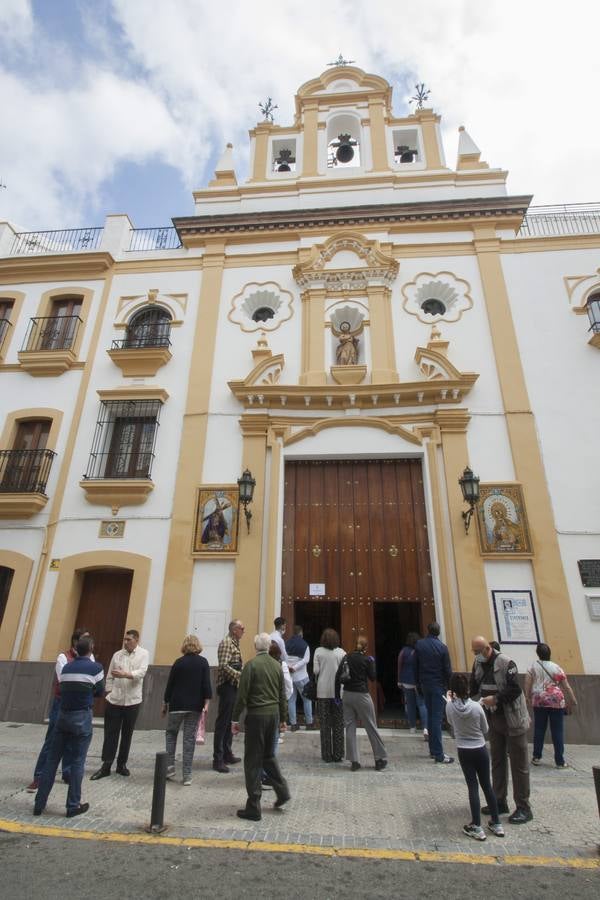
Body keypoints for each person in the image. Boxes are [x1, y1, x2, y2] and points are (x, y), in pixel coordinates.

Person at [33, 636, 104, 818]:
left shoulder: (66, 668)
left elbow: (62, 687)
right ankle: (72, 805)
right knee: (78, 761)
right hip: (81, 716)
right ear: (91, 649)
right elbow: (99, 691)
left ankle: (39, 804)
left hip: (63, 716)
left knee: (52, 761)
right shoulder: (96, 668)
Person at [470, 636, 532, 824]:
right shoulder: (478, 664)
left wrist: (495, 699)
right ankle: (499, 800)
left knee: (519, 764)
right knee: (497, 760)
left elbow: (515, 690)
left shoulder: (507, 663)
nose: (476, 656)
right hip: (494, 719)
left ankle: (523, 807)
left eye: (478, 652)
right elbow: (473, 685)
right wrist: (459, 694)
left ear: (487, 649)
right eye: (474, 652)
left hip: (513, 719)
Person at [232, 633, 290, 821]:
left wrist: (234, 719)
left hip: (256, 716)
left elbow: (242, 695)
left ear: (256, 646)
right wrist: (283, 719)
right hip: (273, 716)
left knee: (252, 760)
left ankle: (254, 805)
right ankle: (282, 792)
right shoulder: (276, 666)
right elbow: (282, 695)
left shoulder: (251, 666)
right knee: (268, 756)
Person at [27, 627, 91, 793]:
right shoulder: (63, 657)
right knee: (52, 739)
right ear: (76, 641)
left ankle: (67, 772)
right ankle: (39, 776)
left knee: (72, 740)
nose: (89, 643)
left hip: (78, 705)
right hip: (61, 703)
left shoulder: (89, 658)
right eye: (85, 639)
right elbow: (64, 679)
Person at [445, 673, 505, 841]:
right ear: (468, 689)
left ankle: (477, 825)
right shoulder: (476, 707)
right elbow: (485, 729)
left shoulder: (450, 707)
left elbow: (450, 722)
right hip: (480, 748)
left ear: (453, 691)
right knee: (487, 785)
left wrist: (450, 701)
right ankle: (496, 822)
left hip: (464, 750)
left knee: (472, 786)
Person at [90, 629, 149, 780]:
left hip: (133, 700)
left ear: (136, 640)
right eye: (125, 639)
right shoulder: (117, 655)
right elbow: (110, 675)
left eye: (129, 639)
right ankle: (106, 765)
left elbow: (141, 673)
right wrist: (109, 693)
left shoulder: (143, 654)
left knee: (127, 734)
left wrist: (125, 675)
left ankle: (122, 764)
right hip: (115, 700)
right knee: (110, 733)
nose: (126, 642)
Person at [162, 634, 212, 785]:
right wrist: (206, 704)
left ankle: (170, 768)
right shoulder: (203, 662)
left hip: (176, 705)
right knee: (189, 739)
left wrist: (165, 703)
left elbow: (170, 685)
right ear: (198, 646)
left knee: (171, 735)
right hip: (194, 707)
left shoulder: (178, 662)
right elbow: (206, 685)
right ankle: (187, 776)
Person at [338, 635, 387, 772]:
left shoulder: (346, 657)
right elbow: (372, 677)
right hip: (361, 695)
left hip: (347, 695)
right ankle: (379, 759)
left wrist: (338, 696)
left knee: (350, 727)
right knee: (371, 726)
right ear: (366, 647)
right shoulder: (366, 659)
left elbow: (338, 676)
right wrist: (372, 663)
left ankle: (354, 761)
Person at [525, 642, 578, 768]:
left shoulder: (533, 666)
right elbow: (566, 686)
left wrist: (527, 696)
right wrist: (573, 700)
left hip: (539, 701)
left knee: (539, 729)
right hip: (556, 701)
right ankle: (560, 761)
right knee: (557, 731)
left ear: (538, 654)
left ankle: (536, 757)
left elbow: (527, 682)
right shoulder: (556, 667)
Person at [414, 622, 453, 764]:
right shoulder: (442, 648)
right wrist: (450, 688)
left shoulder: (419, 645)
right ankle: (438, 754)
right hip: (438, 686)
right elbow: (447, 670)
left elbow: (415, 665)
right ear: (439, 632)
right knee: (436, 718)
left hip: (425, 684)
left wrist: (417, 683)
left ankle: (433, 749)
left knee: (431, 716)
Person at [213, 619, 244, 773]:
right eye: (241, 628)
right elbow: (224, 665)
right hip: (227, 686)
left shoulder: (235, 643)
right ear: (234, 630)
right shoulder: (226, 643)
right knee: (223, 722)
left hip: (233, 685)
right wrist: (239, 675)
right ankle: (218, 758)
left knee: (230, 721)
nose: (243, 631)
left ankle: (227, 752)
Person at [313, 628, 346, 763]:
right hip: (338, 693)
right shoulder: (342, 653)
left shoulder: (318, 651)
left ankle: (326, 754)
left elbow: (316, 671)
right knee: (338, 724)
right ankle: (338, 754)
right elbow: (345, 672)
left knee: (325, 725)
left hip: (323, 692)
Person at [397, 632, 428, 739]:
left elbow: (399, 665)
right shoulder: (420, 651)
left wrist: (399, 680)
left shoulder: (403, 651)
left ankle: (412, 727)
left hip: (406, 681)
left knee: (410, 704)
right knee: (422, 704)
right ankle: (425, 727)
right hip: (418, 681)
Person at [285, 625, 314, 731]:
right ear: (301, 633)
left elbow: (283, 657)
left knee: (291, 700)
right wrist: (295, 667)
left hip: (289, 677)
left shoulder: (286, 643)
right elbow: (306, 660)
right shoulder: (305, 645)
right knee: (307, 699)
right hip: (302, 676)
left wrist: (289, 667)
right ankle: (309, 723)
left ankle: (293, 724)